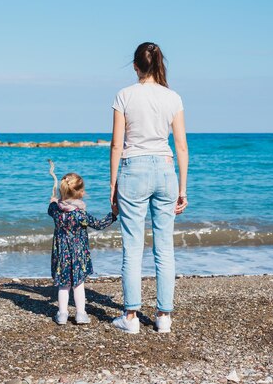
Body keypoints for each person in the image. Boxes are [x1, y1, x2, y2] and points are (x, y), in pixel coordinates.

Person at [110, 42, 188, 334]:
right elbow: (181, 146)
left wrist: (113, 184)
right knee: (164, 247)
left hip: (134, 168)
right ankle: (163, 316)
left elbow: (117, 144)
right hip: (166, 170)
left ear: (135, 66)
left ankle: (131, 317)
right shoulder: (173, 97)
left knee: (132, 247)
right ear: (157, 65)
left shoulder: (124, 95)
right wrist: (183, 189)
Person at [47, 167, 118, 325]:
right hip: (78, 253)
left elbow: (50, 208)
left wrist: (53, 200)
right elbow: (99, 225)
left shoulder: (56, 211)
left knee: (63, 285)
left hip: (61, 253)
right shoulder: (80, 215)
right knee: (78, 284)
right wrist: (113, 215)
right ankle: (80, 314)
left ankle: (62, 314)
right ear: (80, 193)